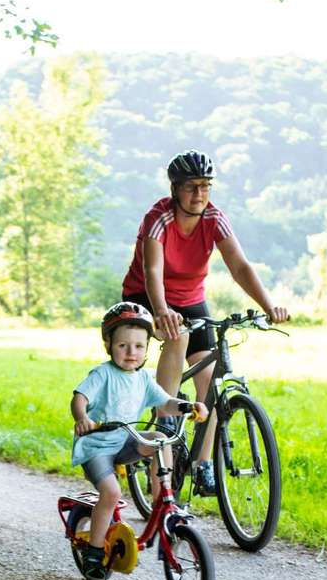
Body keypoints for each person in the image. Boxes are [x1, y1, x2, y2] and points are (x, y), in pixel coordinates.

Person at [121, 149, 289, 496]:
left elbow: (240, 267)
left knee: (208, 385)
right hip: (146, 295)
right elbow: (153, 271)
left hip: (191, 299)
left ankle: (203, 465)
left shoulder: (215, 218)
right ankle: (166, 411)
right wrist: (162, 310)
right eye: (191, 187)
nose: (199, 194)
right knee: (177, 335)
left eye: (206, 186)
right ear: (175, 189)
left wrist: (269, 305)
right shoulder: (159, 218)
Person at [70, 302, 206, 580]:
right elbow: (80, 398)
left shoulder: (143, 378)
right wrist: (82, 417)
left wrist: (188, 406)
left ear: (146, 348)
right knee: (110, 493)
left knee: (159, 438)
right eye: (123, 345)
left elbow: (165, 402)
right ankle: (94, 554)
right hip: (97, 447)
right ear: (109, 345)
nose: (131, 353)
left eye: (139, 346)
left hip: (127, 441)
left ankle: (163, 497)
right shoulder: (103, 374)